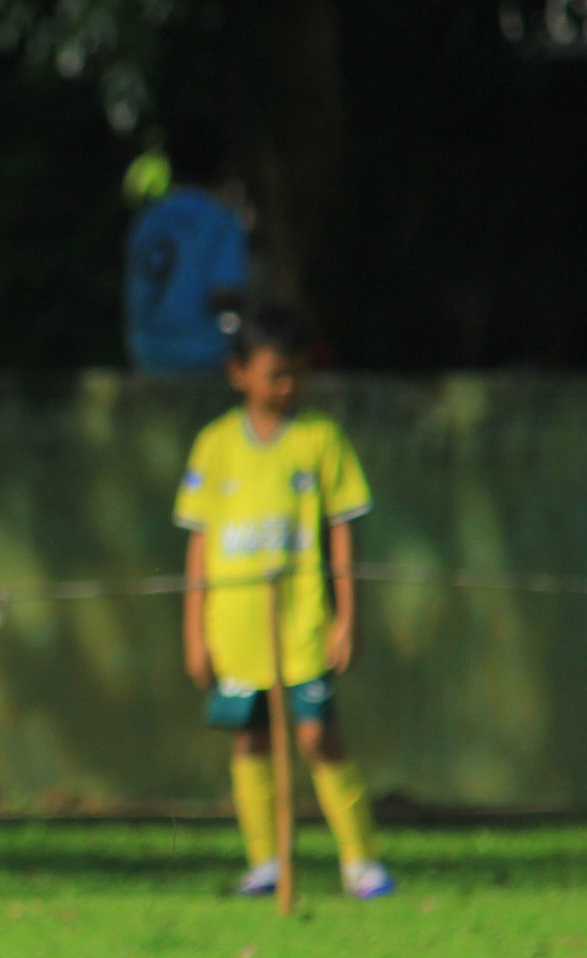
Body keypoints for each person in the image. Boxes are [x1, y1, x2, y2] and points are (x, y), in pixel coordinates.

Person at [179, 305, 391, 899]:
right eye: (274, 373)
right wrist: (194, 633)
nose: (287, 386)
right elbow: (197, 545)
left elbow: (343, 531)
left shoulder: (320, 440)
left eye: (297, 373)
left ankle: (360, 860)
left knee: (316, 734)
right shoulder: (215, 446)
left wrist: (347, 617)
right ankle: (265, 861)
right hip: (235, 627)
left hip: (301, 619)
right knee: (248, 737)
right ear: (238, 373)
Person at [125, 118, 248, 375]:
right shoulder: (221, 220)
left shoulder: (148, 219)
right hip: (203, 354)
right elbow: (224, 293)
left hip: (146, 351)